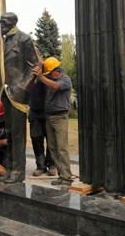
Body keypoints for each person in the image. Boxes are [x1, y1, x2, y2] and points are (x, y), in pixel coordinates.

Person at [0, 12, 39, 183]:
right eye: (0, 22)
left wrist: (23, 89)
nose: (0, 25)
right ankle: (10, 168)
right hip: (6, 93)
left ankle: (18, 171)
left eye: (4, 22)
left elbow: (35, 67)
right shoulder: (4, 41)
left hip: (18, 93)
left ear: (13, 23)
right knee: (9, 132)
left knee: (17, 133)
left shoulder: (24, 39)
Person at [33, 57, 73, 191]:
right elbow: (44, 64)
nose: (48, 75)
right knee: (53, 148)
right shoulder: (51, 78)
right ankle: (62, 176)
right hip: (49, 116)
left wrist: (42, 77)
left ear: (57, 71)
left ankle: (67, 178)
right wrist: (36, 56)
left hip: (60, 117)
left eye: (50, 73)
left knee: (62, 148)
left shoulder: (64, 80)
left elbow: (55, 87)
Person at [29, 47, 56, 177]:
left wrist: (39, 61)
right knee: (36, 139)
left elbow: (50, 72)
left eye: (34, 55)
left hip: (48, 111)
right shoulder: (27, 70)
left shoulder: (47, 70)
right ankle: (41, 166)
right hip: (34, 111)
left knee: (51, 139)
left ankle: (52, 165)